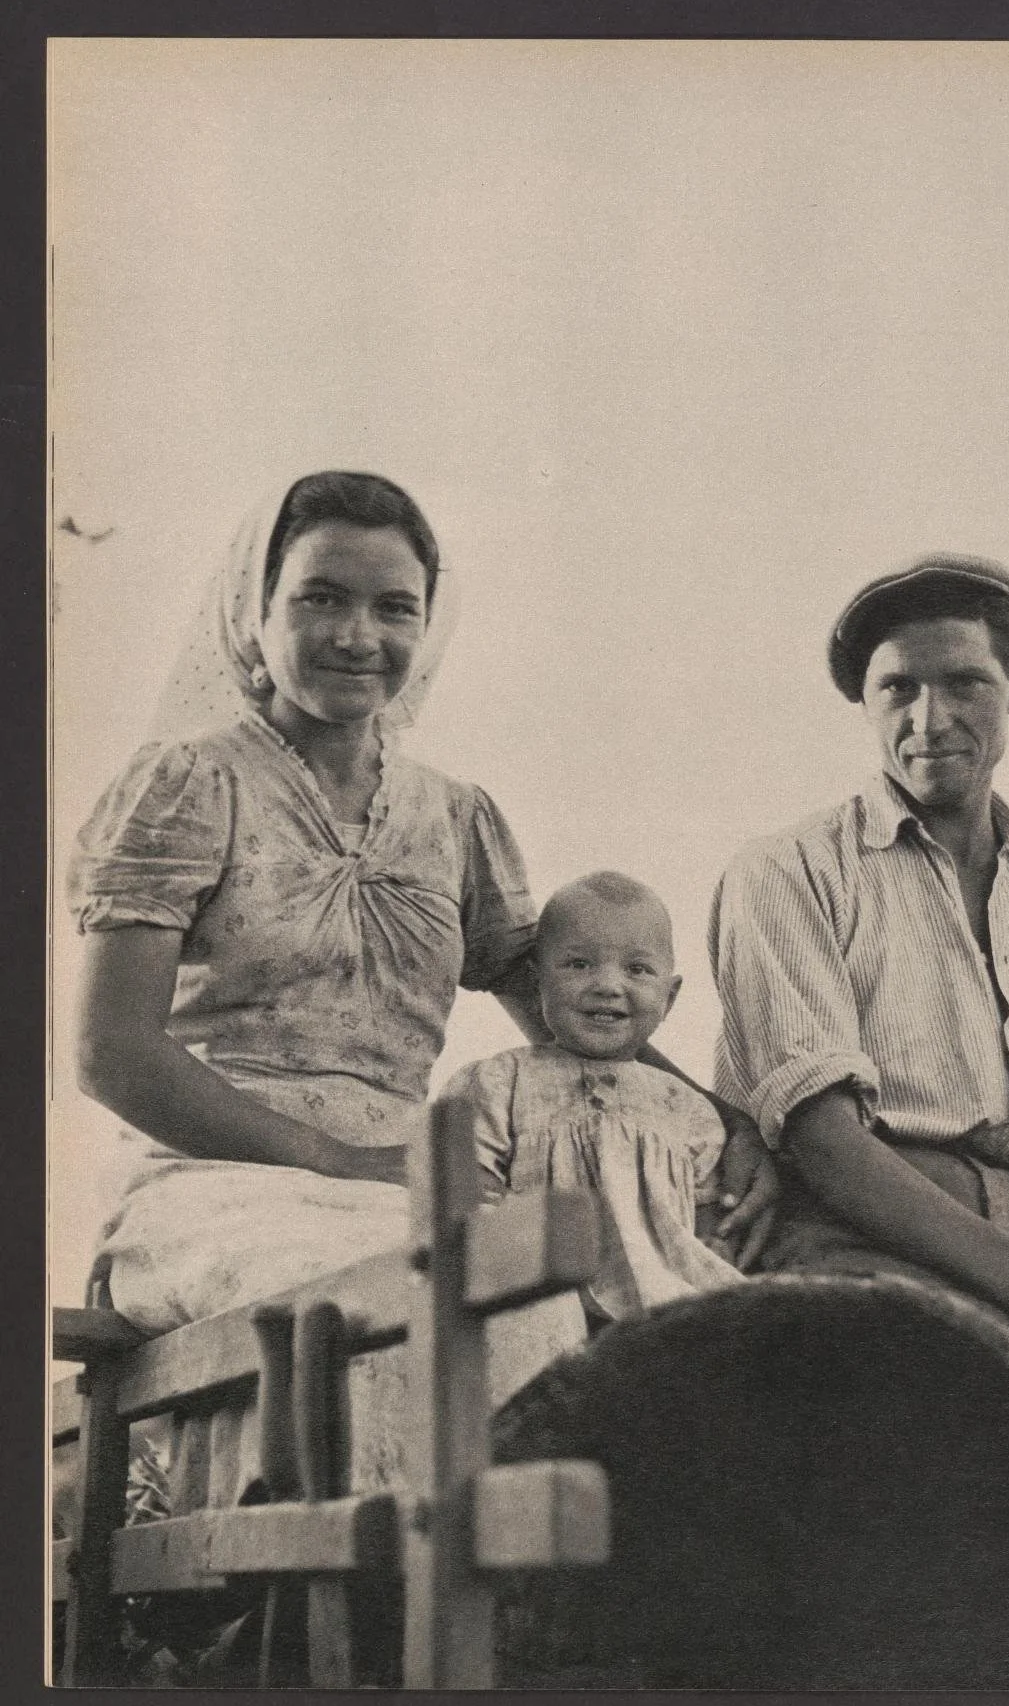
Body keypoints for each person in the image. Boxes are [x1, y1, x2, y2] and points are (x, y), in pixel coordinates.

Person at [68, 468, 776, 1337]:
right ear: (256, 609)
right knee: (415, 1308)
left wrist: (728, 1124)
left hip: (404, 1190)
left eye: (395, 608)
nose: (357, 635)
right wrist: (339, 1158)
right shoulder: (192, 783)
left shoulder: (452, 816)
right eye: (321, 597)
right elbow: (111, 1051)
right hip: (210, 1187)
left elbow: (567, 1010)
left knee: (570, 1298)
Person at [707, 552, 1009, 1680]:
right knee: (956, 1516)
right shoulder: (786, 871)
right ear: (865, 703)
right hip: (853, 1241)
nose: (929, 718)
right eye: (897, 688)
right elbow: (826, 1143)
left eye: (964, 682)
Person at [444, 873, 746, 1325]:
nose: (607, 984)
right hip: (539, 1296)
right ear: (538, 983)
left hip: (665, 1308)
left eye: (637, 969)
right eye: (579, 964)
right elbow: (469, 1193)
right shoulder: (497, 1081)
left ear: (669, 997)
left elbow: (707, 1225)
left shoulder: (687, 1110)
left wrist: (716, 1249)